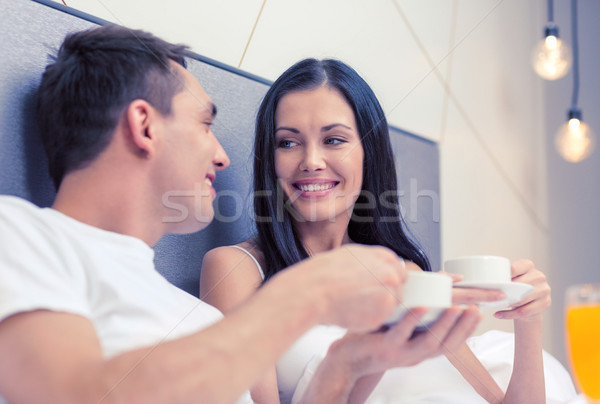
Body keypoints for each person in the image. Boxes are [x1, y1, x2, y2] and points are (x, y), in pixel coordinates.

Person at [0, 26, 483, 404]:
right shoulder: (19, 233)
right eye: (206, 123)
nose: (222, 155)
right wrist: (307, 293)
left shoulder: (193, 315)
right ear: (144, 126)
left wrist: (347, 364)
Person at [200, 59, 574, 403]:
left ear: (369, 152)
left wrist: (528, 321)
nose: (311, 161)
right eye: (288, 142)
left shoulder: (404, 274)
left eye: (333, 140)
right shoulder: (238, 269)